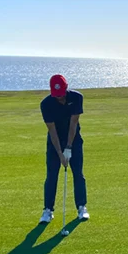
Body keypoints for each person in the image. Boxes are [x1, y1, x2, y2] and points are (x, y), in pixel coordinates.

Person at [39, 74, 89, 224]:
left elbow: (73, 124)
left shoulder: (77, 98)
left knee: (78, 174)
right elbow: (52, 131)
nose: (59, 98)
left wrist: (69, 147)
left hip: (74, 140)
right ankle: (48, 210)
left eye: (61, 95)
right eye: (56, 95)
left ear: (66, 89)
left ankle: (81, 207)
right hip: (54, 143)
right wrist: (60, 153)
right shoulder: (46, 104)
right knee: (52, 176)